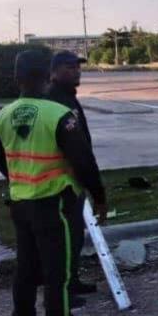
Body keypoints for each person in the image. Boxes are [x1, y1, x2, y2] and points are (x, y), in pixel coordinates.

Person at [0, 50, 107, 316]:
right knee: (60, 277)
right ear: (47, 75)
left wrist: (25, 179)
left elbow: (2, 164)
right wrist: (98, 195)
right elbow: (83, 161)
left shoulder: (5, 115)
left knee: (26, 271)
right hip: (55, 205)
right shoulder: (57, 115)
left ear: (16, 77)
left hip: (21, 204)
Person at [46, 51, 103, 300]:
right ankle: (63, 289)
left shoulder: (68, 98)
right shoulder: (55, 100)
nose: (76, 71)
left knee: (75, 235)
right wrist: (97, 190)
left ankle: (72, 280)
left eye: (78, 67)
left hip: (72, 182)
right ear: (54, 71)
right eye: (70, 67)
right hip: (60, 184)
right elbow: (78, 153)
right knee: (63, 240)